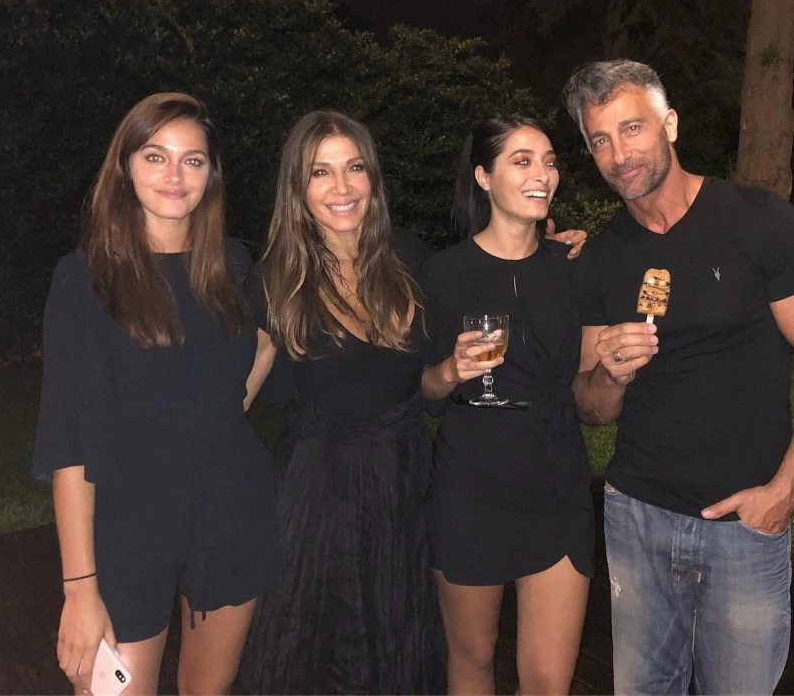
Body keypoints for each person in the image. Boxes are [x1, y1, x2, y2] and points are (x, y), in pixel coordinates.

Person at [564, 59, 794, 695]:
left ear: (669, 124)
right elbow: (589, 406)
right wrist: (610, 377)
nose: (619, 154)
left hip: (743, 527)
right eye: (600, 139)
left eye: (633, 128)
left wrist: (785, 491)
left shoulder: (760, 222)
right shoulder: (603, 258)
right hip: (636, 517)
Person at [33, 93, 278, 694]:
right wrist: (79, 589)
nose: (175, 175)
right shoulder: (86, 278)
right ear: (125, 166)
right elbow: (70, 440)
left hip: (229, 509)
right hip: (127, 523)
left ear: (211, 175)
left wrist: (226, 408)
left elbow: (264, 343)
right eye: (155, 156)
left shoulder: (232, 265)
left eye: (193, 160)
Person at [238, 110, 445, 694]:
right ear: (298, 189)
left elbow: (482, 283)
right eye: (320, 172)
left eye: (354, 168)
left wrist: (544, 249)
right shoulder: (277, 279)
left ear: (372, 177)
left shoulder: (410, 257)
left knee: (399, 646)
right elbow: (232, 398)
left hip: (404, 486)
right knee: (310, 656)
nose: (342, 186)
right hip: (317, 495)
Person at [420, 114, 594, 694]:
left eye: (549, 161)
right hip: (470, 486)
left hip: (556, 483)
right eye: (522, 161)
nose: (543, 174)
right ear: (483, 177)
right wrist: (449, 371)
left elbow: (586, 379)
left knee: (547, 681)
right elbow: (422, 390)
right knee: (473, 661)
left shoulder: (572, 269)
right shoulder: (442, 274)